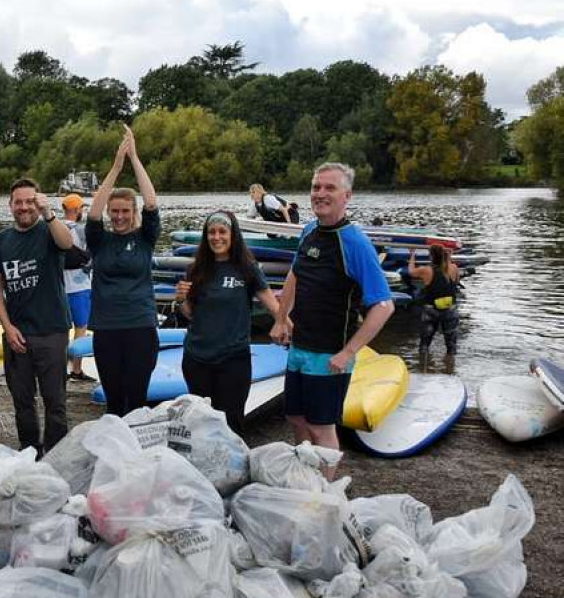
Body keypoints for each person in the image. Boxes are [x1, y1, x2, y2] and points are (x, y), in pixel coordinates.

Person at [270, 162, 394, 467]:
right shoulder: (310, 230)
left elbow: (384, 306)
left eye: (330, 188)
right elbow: (295, 275)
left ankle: (322, 496)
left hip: (329, 357)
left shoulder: (355, 242)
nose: (320, 194)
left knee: (321, 427)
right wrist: (281, 318)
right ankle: (303, 477)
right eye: (316, 187)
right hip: (299, 347)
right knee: (296, 418)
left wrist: (349, 351)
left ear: (347, 196)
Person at [0, 179, 75, 454]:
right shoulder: (0, 241)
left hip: (52, 330)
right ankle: (29, 451)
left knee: (55, 401)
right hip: (17, 334)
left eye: (30, 202)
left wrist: (49, 213)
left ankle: (56, 453)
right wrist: (7, 327)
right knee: (22, 402)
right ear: (11, 205)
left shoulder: (50, 230)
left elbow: (67, 243)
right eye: (19, 202)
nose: (24, 207)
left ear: (38, 203)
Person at [175, 211, 281, 434]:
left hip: (233, 359)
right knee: (200, 423)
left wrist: (287, 325)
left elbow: (274, 306)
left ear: (233, 235)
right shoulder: (196, 269)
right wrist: (181, 299)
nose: (217, 237)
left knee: (231, 423)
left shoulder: (248, 269)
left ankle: (233, 467)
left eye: (222, 232)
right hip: (197, 358)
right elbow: (191, 314)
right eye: (211, 232)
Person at [87, 126, 160, 416]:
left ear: (134, 213)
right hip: (106, 328)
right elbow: (92, 213)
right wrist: (117, 166)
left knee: (137, 397)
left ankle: (138, 456)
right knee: (114, 400)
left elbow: (152, 201)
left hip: (140, 326)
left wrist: (135, 159)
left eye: (125, 211)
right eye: (114, 211)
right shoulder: (99, 240)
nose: (119, 216)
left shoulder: (145, 238)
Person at [61, 193, 95, 381]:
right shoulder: (81, 231)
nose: (83, 211)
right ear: (75, 210)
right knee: (80, 329)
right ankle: (76, 370)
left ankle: (61, 369)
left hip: (60, 288)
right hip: (80, 288)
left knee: (62, 331)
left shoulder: (54, 228)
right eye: (81, 208)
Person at [409, 244, 460, 365]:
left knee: (425, 344)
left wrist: (412, 256)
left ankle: (424, 367)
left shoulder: (426, 270)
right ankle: (449, 367)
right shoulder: (453, 268)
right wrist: (449, 258)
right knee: (451, 344)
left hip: (431, 310)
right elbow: (457, 282)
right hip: (450, 309)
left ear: (431, 256)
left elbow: (411, 272)